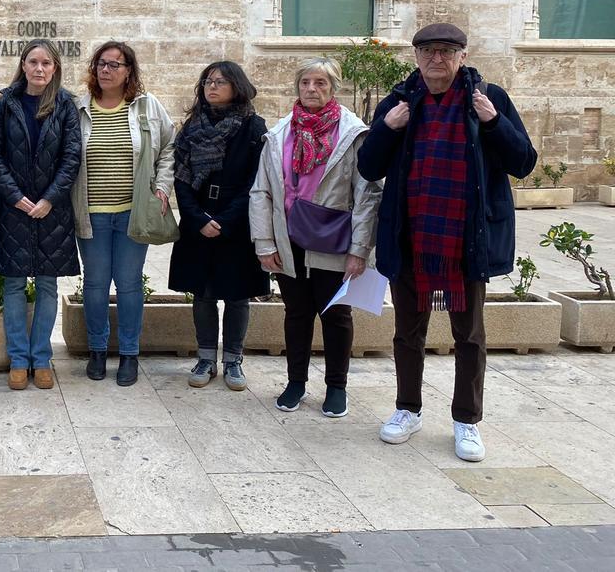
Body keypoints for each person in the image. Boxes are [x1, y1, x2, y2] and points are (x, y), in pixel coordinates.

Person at [358, 23, 537, 462]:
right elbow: (368, 167)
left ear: (462, 56)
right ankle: (408, 409)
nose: (437, 59)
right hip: (411, 236)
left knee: (469, 336)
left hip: (465, 239)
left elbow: (523, 163)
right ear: (416, 56)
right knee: (407, 333)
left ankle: (467, 420)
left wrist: (493, 123)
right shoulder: (399, 102)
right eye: (428, 51)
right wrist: (387, 129)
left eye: (446, 51)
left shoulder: (488, 98)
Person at [249, 57, 382, 417]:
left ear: (334, 88)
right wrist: (264, 242)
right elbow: (261, 191)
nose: (311, 89)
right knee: (296, 314)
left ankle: (336, 386)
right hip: (289, 240)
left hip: (334, 240)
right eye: (306, 82)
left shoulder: (353, 134)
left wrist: (359, 249)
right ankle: (296, 383)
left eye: (320, 83)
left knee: (336, 315)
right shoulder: (280, 133)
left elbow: (367, 194)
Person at [72, 41, 175, 387]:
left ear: (129, 70)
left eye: (115, 64)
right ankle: (98, 350)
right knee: (95, 284)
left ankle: (130, 353)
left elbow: (169, 147)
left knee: (129, 284)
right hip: (92, 214)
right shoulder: (79, 107)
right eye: (101, 63)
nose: (106, 70)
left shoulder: (147, 106)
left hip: (134, 213)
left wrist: (162, 187)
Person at [0, 39, 82, 390]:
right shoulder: (4, 105)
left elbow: (72, 156)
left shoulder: (66, 106)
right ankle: (17, 359)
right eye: (33, 62)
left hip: (52, 211)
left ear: (55, 68)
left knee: (47, 285)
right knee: (13, 284)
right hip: (15, 210)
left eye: (46, 63)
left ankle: (41, 358)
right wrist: (16, 197)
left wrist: (50, 198)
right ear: (23, 65)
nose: (40, 69)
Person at [168, 61, 268, 391]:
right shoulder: (192, 127)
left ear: (237, 86)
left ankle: (234, 360)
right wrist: (197, 218)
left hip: (236, 223)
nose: (212, 87)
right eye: (208, 81)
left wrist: (225, 221)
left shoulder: (253, 128)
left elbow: (256, 181)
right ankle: (206, 358)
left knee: (237, 295)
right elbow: (181, 178)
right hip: (198, 221)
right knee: (203, 293)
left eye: (220, 82)